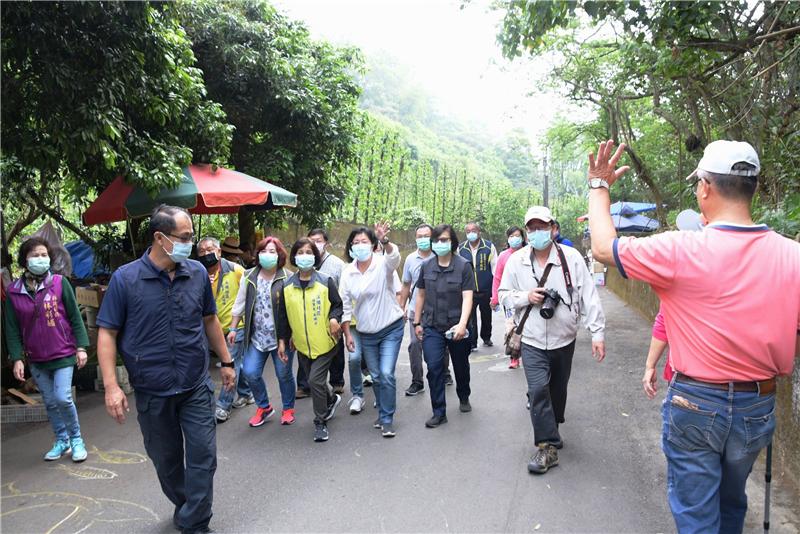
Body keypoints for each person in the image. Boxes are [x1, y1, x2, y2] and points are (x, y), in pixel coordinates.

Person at [587, 139, 800, 533]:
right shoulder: (794, 256)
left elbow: (603, 247)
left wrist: (599, 186)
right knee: (732, 501)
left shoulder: (679, 249)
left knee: (697, 514)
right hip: (758, 403)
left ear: (704, 188)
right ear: (753, 187)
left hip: (696, 402)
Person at [96, 204, 235, 534]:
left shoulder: (197, 273)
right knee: (166, 461)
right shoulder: (126, 279)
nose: (191, 243)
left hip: (194, 383)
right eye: (185, 237)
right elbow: (107, 332)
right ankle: (188, 505)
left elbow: (210, 320)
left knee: (203, 456)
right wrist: (112, 386)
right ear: (160, 238)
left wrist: (227, 362)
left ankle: (195, 524)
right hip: (153, 389)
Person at [498, 205, 606, 475]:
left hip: (564, 338)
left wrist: (597, 333)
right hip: (532, 338)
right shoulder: (516, 260)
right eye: (531, 228)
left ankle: (552, 425)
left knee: (557, 391)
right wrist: (526, 297)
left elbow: (588, 295)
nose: (537, 232)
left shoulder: (571, 258)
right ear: (525, 232)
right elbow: (503, 295)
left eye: (542, 227)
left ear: (554, 229)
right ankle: (547, 446)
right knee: (537, 390)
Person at [5, 236, 90, 462]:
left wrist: (81, 347)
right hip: (36, 357)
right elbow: (11, 329)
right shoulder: (13, 291)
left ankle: (76, 439)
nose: (40, 259)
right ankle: (61, 440)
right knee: (50, 402)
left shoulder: (60, 283)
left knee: (62, 398)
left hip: (63, 353)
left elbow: (74, 317)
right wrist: (17, 358)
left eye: (44, 255)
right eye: (35, 255)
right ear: (24, 260)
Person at [276, 238, 343, 442]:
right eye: (300, 252)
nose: (305, 256)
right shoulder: (287, 286)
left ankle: (320, 422)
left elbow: (337, 305)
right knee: (317, 383)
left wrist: (333, 318)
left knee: (314, 381)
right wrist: (282, 340)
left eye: (309, 252)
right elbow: (283, 316)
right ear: (294, 257)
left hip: (325, 343)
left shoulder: (325, 280)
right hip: (302, 346)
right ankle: (331, 400)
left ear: (315, 256)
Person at [340, 223, 404, 438]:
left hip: (390, 328)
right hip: (366, 333)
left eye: (364, 242)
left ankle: (387, 419)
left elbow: (395, 258)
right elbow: (345, 305)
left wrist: (384, 241)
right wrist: (348, 334)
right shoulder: (348, 273)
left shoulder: (382, 264)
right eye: (355, 242)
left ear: (372, 244)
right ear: (350, 247)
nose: (359, 246)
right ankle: (383, 413)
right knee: (375, 376)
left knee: (386, 373)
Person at [229, 237, 296, 427]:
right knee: (250, 372)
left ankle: (288, 408)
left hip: (281, 338)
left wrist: (293, 336)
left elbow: (294, 309)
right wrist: (233, 328)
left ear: (279, 254)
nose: (268, 255)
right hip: (256, 336)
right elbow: (240, 303)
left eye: (272, 251)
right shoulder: (249, 276)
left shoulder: (288, 277)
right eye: (264, 251)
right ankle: (264, 407)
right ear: (258, 254)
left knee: (283, 374)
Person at [413, 224, 476, 428]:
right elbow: (421, 294)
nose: (441, 244)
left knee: (460, 366)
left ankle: (464, 395)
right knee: (434, 367)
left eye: (445, 240)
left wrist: (462, 324)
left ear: (452, 242)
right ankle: (439, 411)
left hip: (457, 326)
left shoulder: (464, 266)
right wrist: (416, 322)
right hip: (432, 326)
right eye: (437, 240)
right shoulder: (427, 266)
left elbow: (468, 297)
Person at [196, 237, 253, 423]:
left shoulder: (236, 270)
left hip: (235, 327)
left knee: (230, 363)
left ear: (219, 251)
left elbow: (251, 292)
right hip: (212, 329)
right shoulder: (198, 274)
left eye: (210, 249)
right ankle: (246, 393)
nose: (206, 253)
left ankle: (223, 406)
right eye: (202, 251)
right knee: (238, 363)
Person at [307, 228, 346, 395]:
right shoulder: (306, 261)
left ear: (326, 244)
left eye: (318, 241)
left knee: (336, 347)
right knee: (308, 348)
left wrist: (339, 316)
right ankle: (306, 384)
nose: (315, 244)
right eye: (311, 241)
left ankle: (337, 381)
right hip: (311, 313)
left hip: (332, 313)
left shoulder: (337, 264)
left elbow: (343, 291)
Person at [491, 226, 527, 369]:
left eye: (517, 235)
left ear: (523, 238)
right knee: (511, 326)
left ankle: (531, 355)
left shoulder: (529, 253)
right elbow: (497, 278)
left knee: (526, 325)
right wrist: (495, 298)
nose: (514, 238)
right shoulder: (503, 256)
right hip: (509, 299)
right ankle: (514, 356)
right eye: (511, 236)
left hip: (527, 297)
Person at [458, 222, 497, 349]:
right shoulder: (461, 248)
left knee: (486, 315)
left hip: (486, 287)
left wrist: (495, 290)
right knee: (470, 317)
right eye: (468, 231)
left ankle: (486, 337)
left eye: (473, 230)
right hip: (469, 290)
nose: (471, 233)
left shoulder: (488, 247)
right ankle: (472, 341)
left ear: (479, 231)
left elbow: (494, 268)